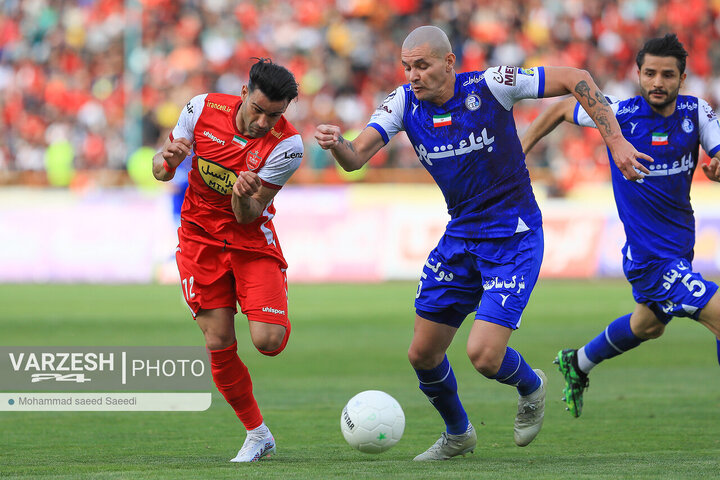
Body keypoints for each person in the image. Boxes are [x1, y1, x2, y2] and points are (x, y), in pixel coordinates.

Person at [315, 25, 650, 460]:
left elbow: (574, 76)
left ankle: (531, 386)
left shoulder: (492, 85)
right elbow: (355, 159)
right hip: (461, 236)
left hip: (513, 236)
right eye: (407, 67)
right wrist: (338, 143)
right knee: (422, 354)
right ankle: (459, 434)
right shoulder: (402, 103)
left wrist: (616, 140)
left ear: (449, 62)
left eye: (422, 65)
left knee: (484, 356)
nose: (413, 75)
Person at [521, 33, 720, 418]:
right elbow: (563, 108)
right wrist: (521, 148)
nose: (657, 82)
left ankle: (578, 362)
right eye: (650, 73)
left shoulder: (697, 112)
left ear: (683, 78)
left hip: (681, 249)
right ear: (638, 74)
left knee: (648, 325)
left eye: (667, 75)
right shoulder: (618, 115)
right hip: (651, 259)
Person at [152, 58, 303, 462]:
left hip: (250, 240)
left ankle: (267, 291)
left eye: (275, 115)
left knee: (269, 342)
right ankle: (258, 434)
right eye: (258, 110)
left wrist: (240, 194)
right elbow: (161, 171)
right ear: (243, 94)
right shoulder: (200, 108)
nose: (263, 122)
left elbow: (249, 215)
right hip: (199, 239)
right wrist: (166, 158)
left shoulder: (288, 146)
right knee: (218, 340)